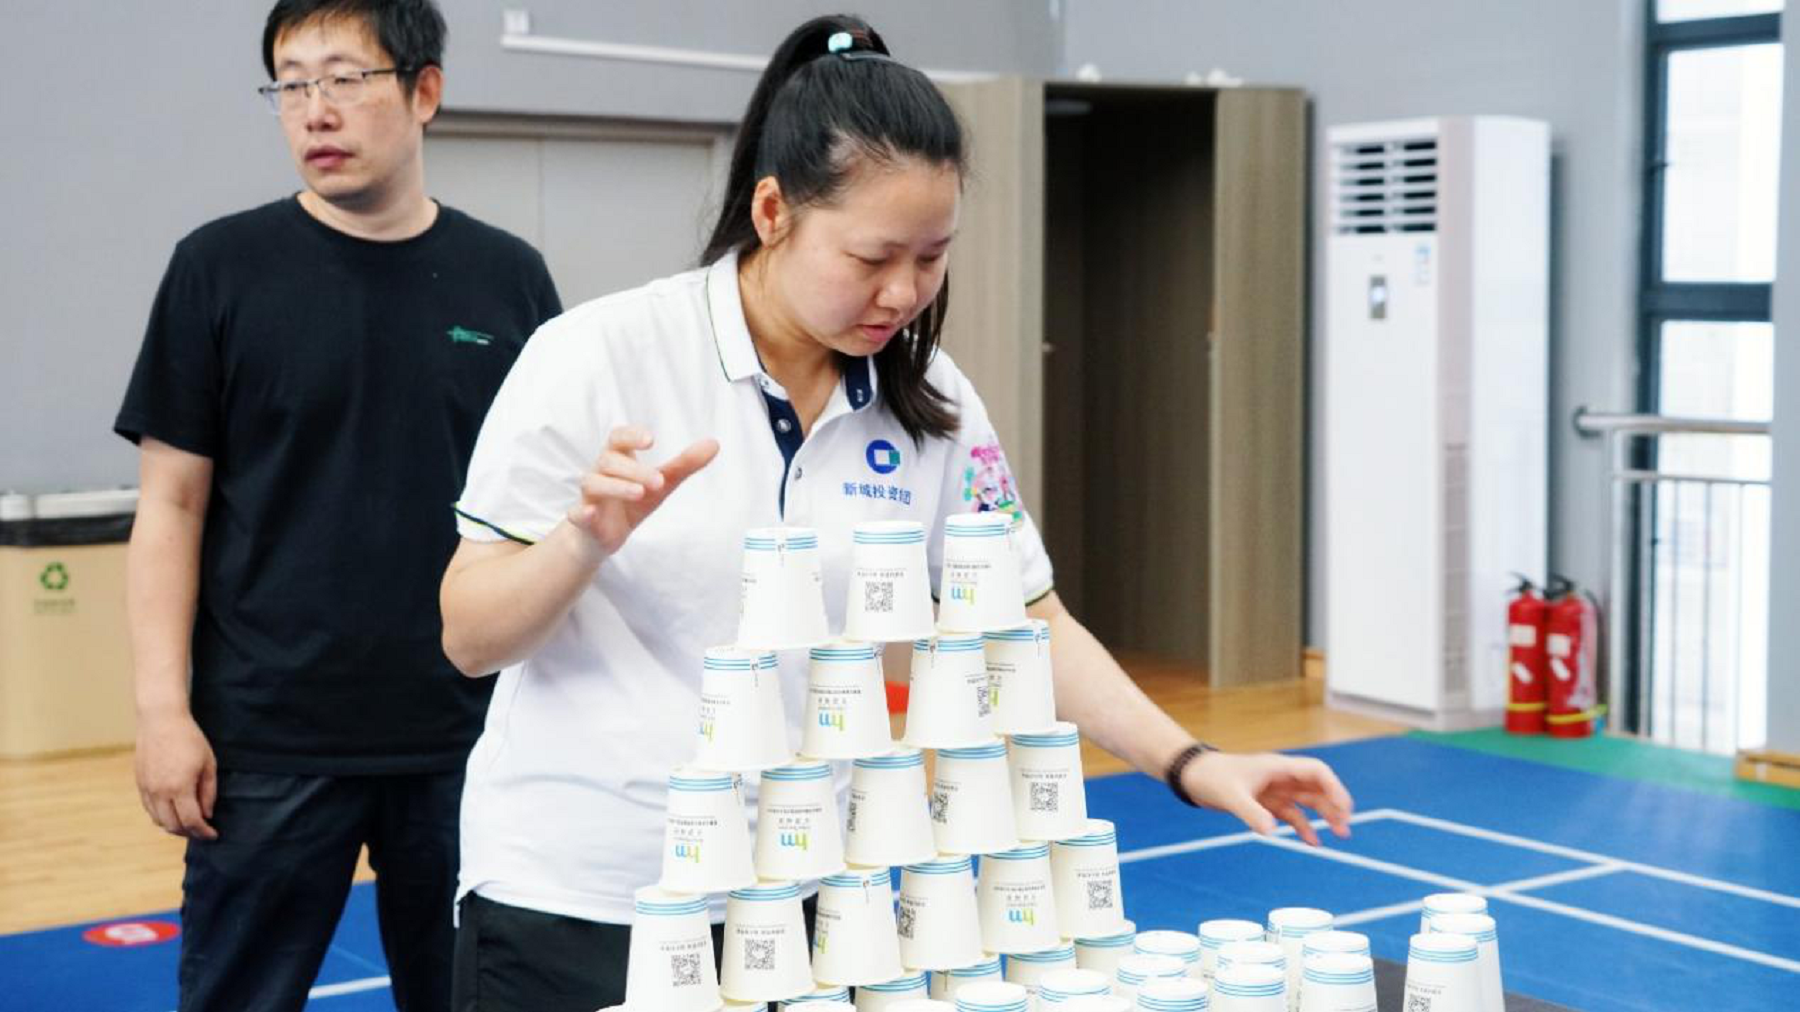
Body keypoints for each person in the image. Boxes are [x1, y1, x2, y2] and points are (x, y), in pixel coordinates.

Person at [438, 14, 1351, 1010]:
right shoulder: (597, 356)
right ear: (773, 210)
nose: (904, 293)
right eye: (873, 257)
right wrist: (581, 541)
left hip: (813, 897)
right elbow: (469, 639)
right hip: (588, 898)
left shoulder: (934, 401)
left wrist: (1192, 762)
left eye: (932, 256)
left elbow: (1025, 622)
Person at [115, 1, 561, 1008]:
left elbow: (545, 513)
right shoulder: (217, 269)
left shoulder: (509, 280)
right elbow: (170, 507)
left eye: (345, 78)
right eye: (291, 84)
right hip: (266, 742)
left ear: (424, 91)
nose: (315, 109)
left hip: (468, 735)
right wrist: (161, 711)